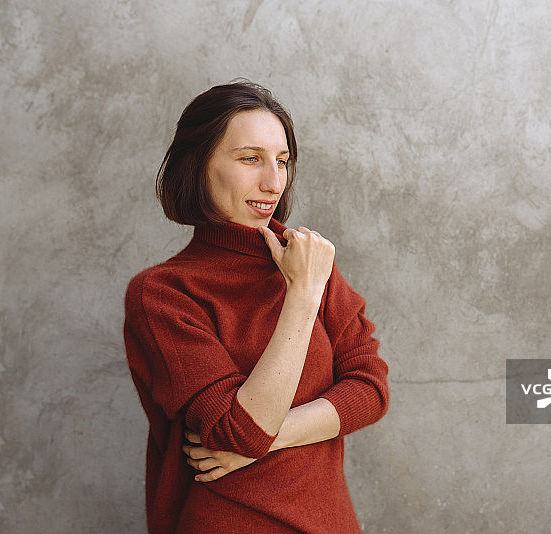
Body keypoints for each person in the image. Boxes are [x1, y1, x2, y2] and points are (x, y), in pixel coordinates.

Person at [123, 81, 390, 533]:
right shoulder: (163, 294)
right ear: (198, 165)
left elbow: (371, 389)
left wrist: (270, 438)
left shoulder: (311, 261)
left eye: (282, 161)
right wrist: (302, 297)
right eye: (250, 159)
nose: (273, 182)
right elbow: (241, 430)